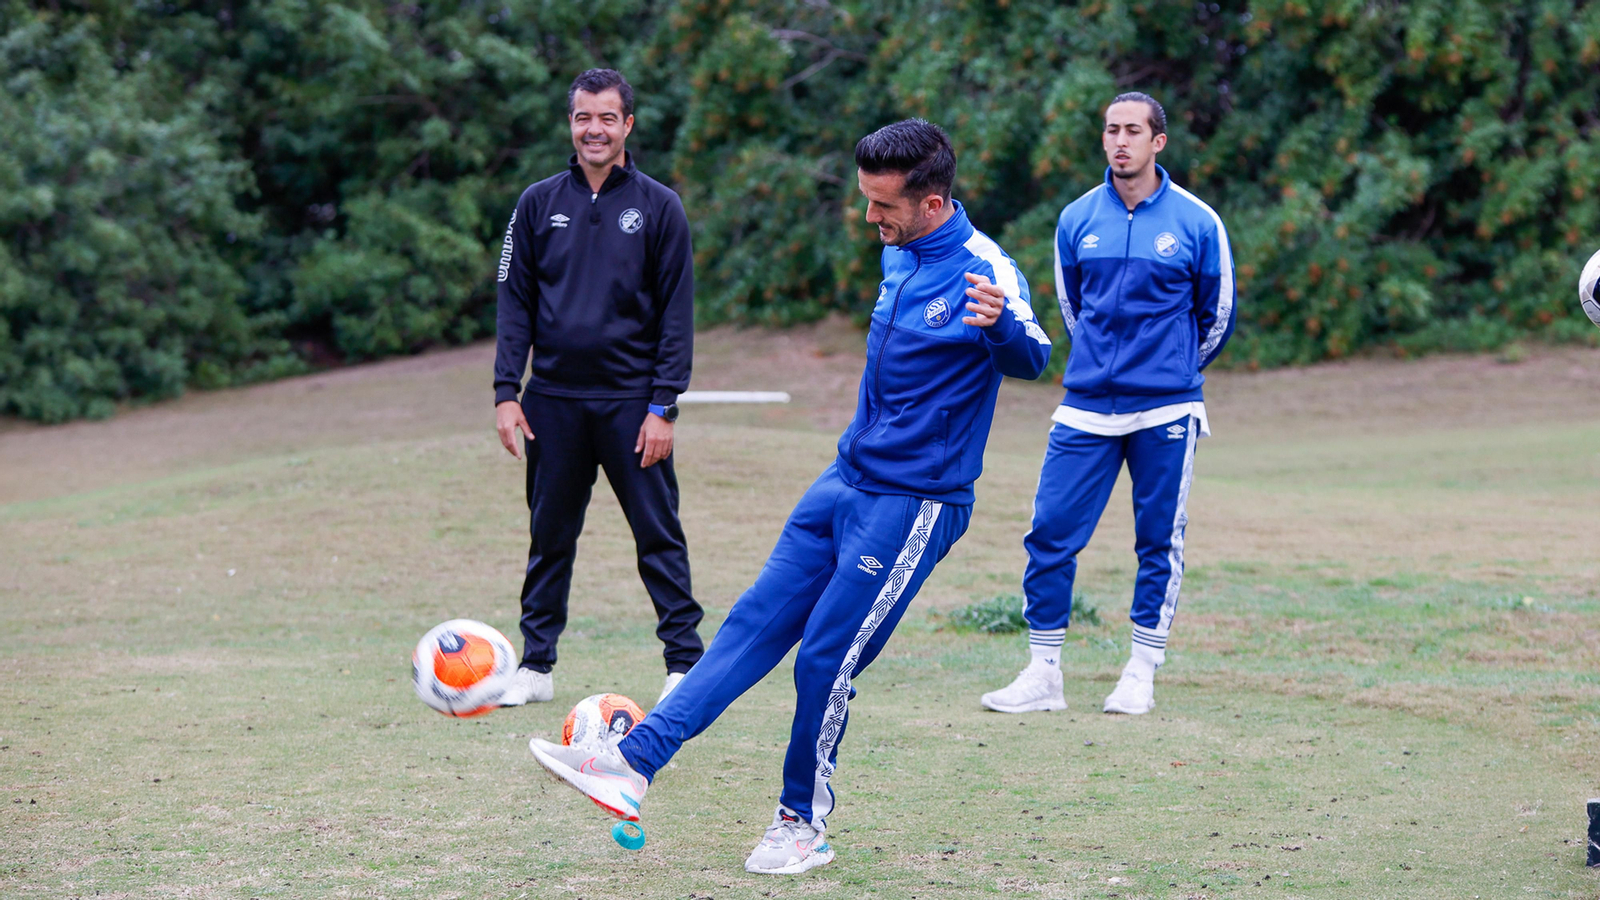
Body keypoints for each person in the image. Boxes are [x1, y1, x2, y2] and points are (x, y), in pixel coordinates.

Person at [528, 119, 1051, 874]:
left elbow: (1034, 356)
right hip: (843, 482)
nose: (871, 219)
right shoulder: (900, 256)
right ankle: (631, 764)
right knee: (748, 626)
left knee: (825, 662)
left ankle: (801, 824)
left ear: (933, 202)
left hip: (914, 502)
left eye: (885, 207)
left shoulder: (983, 268)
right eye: (867, 201)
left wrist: (1002, 330)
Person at [980, 92, 1236, 717]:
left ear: (1158, 142)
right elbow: (1073, 310)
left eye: (1133, 131)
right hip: (1086, 406)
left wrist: (1172, 370)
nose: (1120, 141)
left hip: (1167, 409)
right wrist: (1106, 366)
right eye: (1111, 130)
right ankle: (1044, 673)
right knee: (1049, 533)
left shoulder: (1198, 221)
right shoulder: (1076, 219)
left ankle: (1140, 671)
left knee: (1157, 542)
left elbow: (1219, 314)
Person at [492, 69, 703, 707]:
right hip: (551, 402)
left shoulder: (660, 205)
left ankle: (684, 664)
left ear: (627, 125)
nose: (595, 129)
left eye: (607, 118)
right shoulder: (535, 203)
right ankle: (535, 666)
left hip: (631, 403)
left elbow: (677, 312)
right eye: (584, 117)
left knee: (657, 532)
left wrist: (663, 404)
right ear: (571, 124)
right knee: (548, 533)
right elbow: (513, 302)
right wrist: (507, 391)